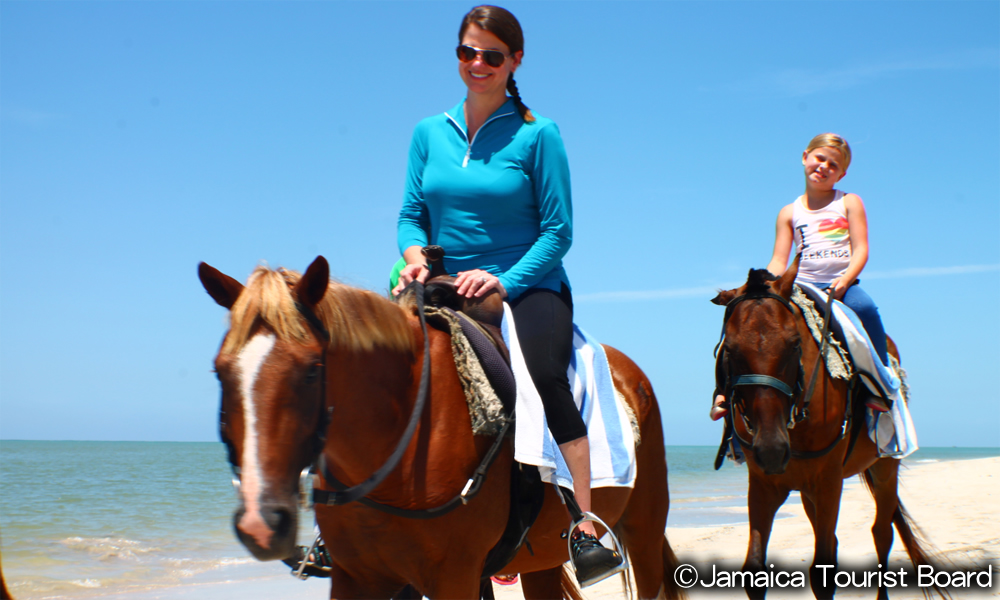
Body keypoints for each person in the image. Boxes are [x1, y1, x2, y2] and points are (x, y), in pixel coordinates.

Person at [392, 5, 623, 587]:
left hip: (526, 284)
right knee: (367, 363)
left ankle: (584, 522)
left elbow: (559, 232)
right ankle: (344, 520)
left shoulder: (538, 133)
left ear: (514, 61)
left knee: (544, 374)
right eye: (467, 52)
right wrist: (414, 257)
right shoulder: (428, 132)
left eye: (491, 56)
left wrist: (505, 280)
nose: (477, 64)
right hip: (439, 282)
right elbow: (410, 215)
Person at [710, 133, 890, 421]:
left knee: (866, 309)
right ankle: (723, 389)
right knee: (744, 315)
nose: (824, 167)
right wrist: (764, 286)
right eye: (820, 158)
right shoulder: (789, 212)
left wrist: (844, 281)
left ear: (842, 173)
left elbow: (861, 250)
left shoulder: (849, 202)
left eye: (833, 164)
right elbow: (780, 259)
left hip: (839, 286)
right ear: (805, 157)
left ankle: (881, 384)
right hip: (800, 286)